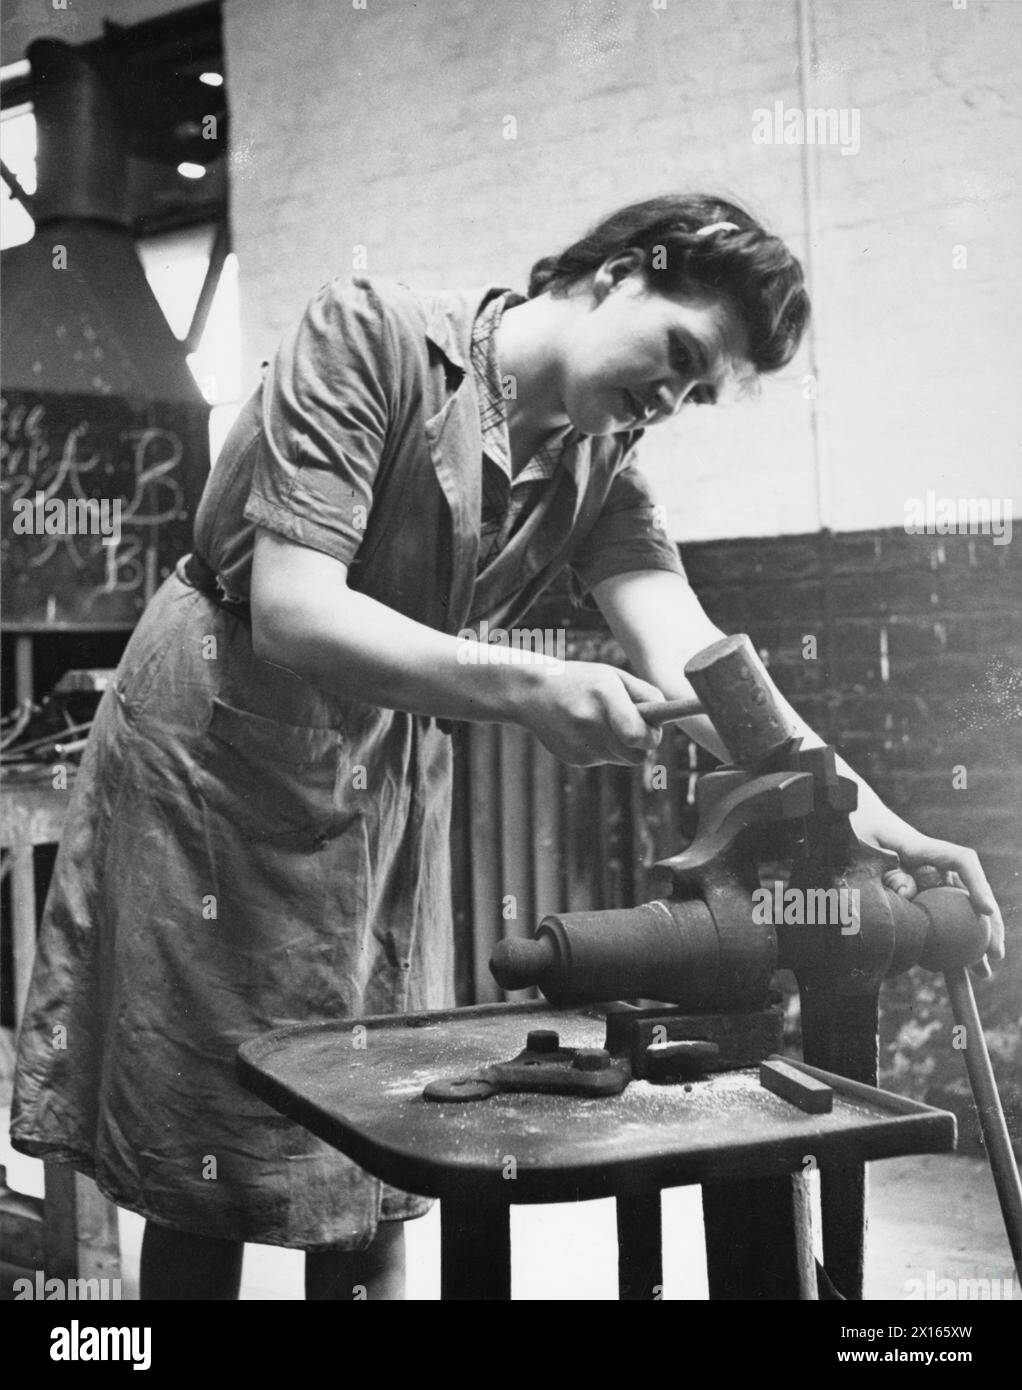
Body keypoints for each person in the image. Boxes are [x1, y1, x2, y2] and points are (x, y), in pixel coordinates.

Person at [11, 194, 1004, 1300]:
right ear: (614, 272)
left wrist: (867, 810)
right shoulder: (371, 335)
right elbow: (293, 607)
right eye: (677, 353)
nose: (667, 398)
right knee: (206, 1132)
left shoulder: (600, 461)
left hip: (373, 771)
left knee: (371, 1117)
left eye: (693, 394)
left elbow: (693, 656)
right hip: (216, 738)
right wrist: (525, 684)